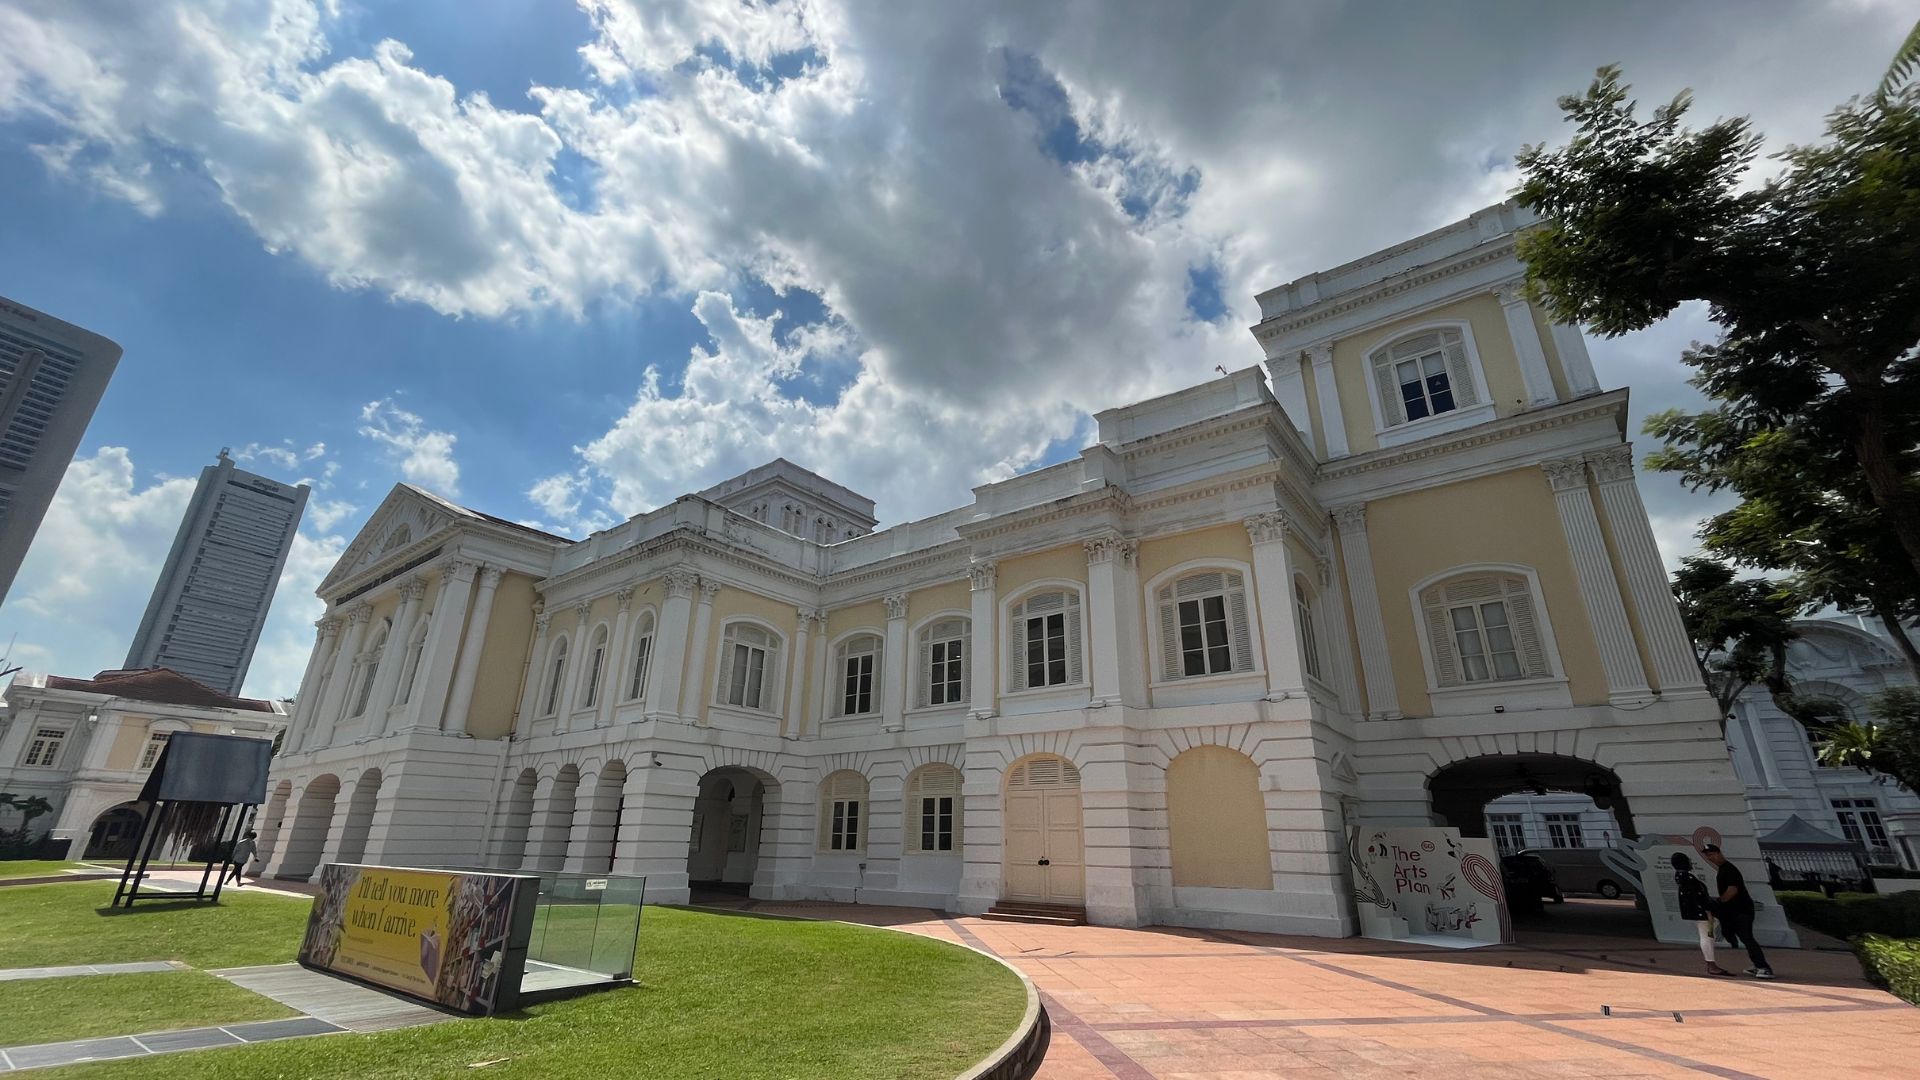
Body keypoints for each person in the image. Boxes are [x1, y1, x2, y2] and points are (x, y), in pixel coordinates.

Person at [1701, 844, 1773, 979]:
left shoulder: (1729, 870)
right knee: (1741, 936)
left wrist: (1719, 901)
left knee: (1747, 937)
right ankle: (1758, 965)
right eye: (1707, 856)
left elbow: (1732, 890)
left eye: (1711, 855)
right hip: (1734, 910)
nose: (1710, 858)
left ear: (1718, 853)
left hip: (1742, 910)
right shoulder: (1724, 869)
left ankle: (1763, 967)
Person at [1672, 852, 1731, 976]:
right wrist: (1707, 910)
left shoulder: (1681, 876)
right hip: (1702, 912)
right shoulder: (1688, 878)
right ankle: (1711, 964)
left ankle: (1711, 963)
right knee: (1707, 936)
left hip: (1697, 911)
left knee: (1707, 935)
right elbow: (1699, 896)